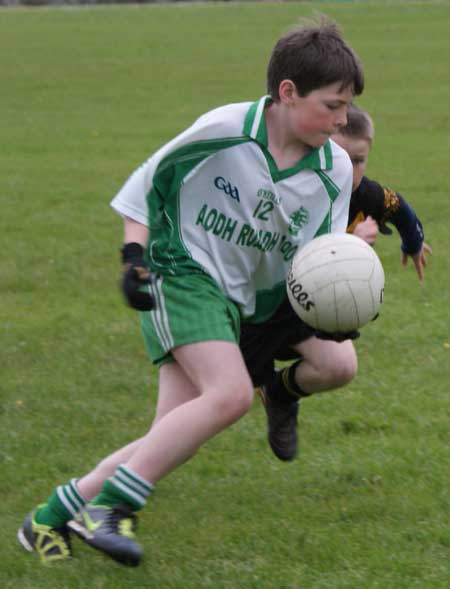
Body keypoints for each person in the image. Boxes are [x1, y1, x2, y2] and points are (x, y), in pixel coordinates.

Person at [17, 18, 364, 566]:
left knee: (170, 436)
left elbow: (320, 257)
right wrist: (133, 258)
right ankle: (108, 510)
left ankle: (49, 518)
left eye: (348, 107)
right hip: (182, 274)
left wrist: (330, 308)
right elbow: (146, 182)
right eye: (333, 105)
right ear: (288, 93)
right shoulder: (224, 128)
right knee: (228, 397)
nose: (343, 119)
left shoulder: (333, 168)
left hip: (245, 301)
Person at [240, 102, 432, 463]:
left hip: (307, 313)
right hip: (261, 309)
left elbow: (399, 208)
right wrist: (349, 246)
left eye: (359, 160)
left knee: (340, 367)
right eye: (342, 156)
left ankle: (279, 393)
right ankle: (131, 470)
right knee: (219, 400)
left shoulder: (366, 195)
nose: (351, 169)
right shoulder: (296, 187)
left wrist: (414, 243)